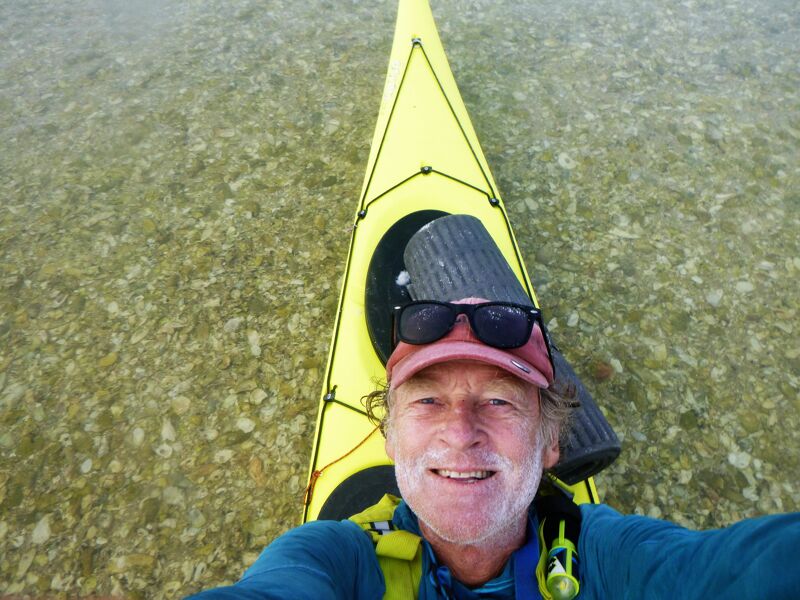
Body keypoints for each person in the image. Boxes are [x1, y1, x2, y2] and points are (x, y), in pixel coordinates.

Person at [188, 297, 800, 599]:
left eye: (501, 402)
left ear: (551, 442)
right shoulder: (326, 560)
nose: (460, 432)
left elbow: (737, 570)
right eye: (427, 401)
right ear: (389, 436)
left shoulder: (610, 557)